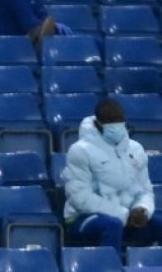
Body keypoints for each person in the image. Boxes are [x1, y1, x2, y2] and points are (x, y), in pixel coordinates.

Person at [62, 98, 162, 251]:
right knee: (112, 224)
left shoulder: (135, 149)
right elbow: (80, 198)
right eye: (110, 121)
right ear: (98, 123)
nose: (116, 125)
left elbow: (145, 190)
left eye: (119, 120)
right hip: (83, 218)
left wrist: (142, 209)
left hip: (128, 218)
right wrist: (123, 215)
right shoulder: (80, 151)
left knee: (158, 224)